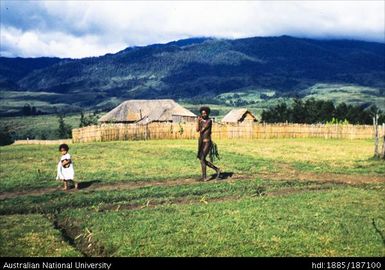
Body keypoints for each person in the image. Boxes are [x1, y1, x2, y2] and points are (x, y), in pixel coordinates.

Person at [196, 106, 221, 181]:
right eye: (202, 113)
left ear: (207, 113)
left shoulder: (209, 121)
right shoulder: (201, 121)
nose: (203, 114)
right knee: (201, 158)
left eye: (205, 113)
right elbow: (197, 130)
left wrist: (201, 122)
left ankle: (204, 177)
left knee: (202, 158)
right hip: (201, 142)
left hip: (207, 142)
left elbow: (202, 130)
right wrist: (198, 121)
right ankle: (217, 169)